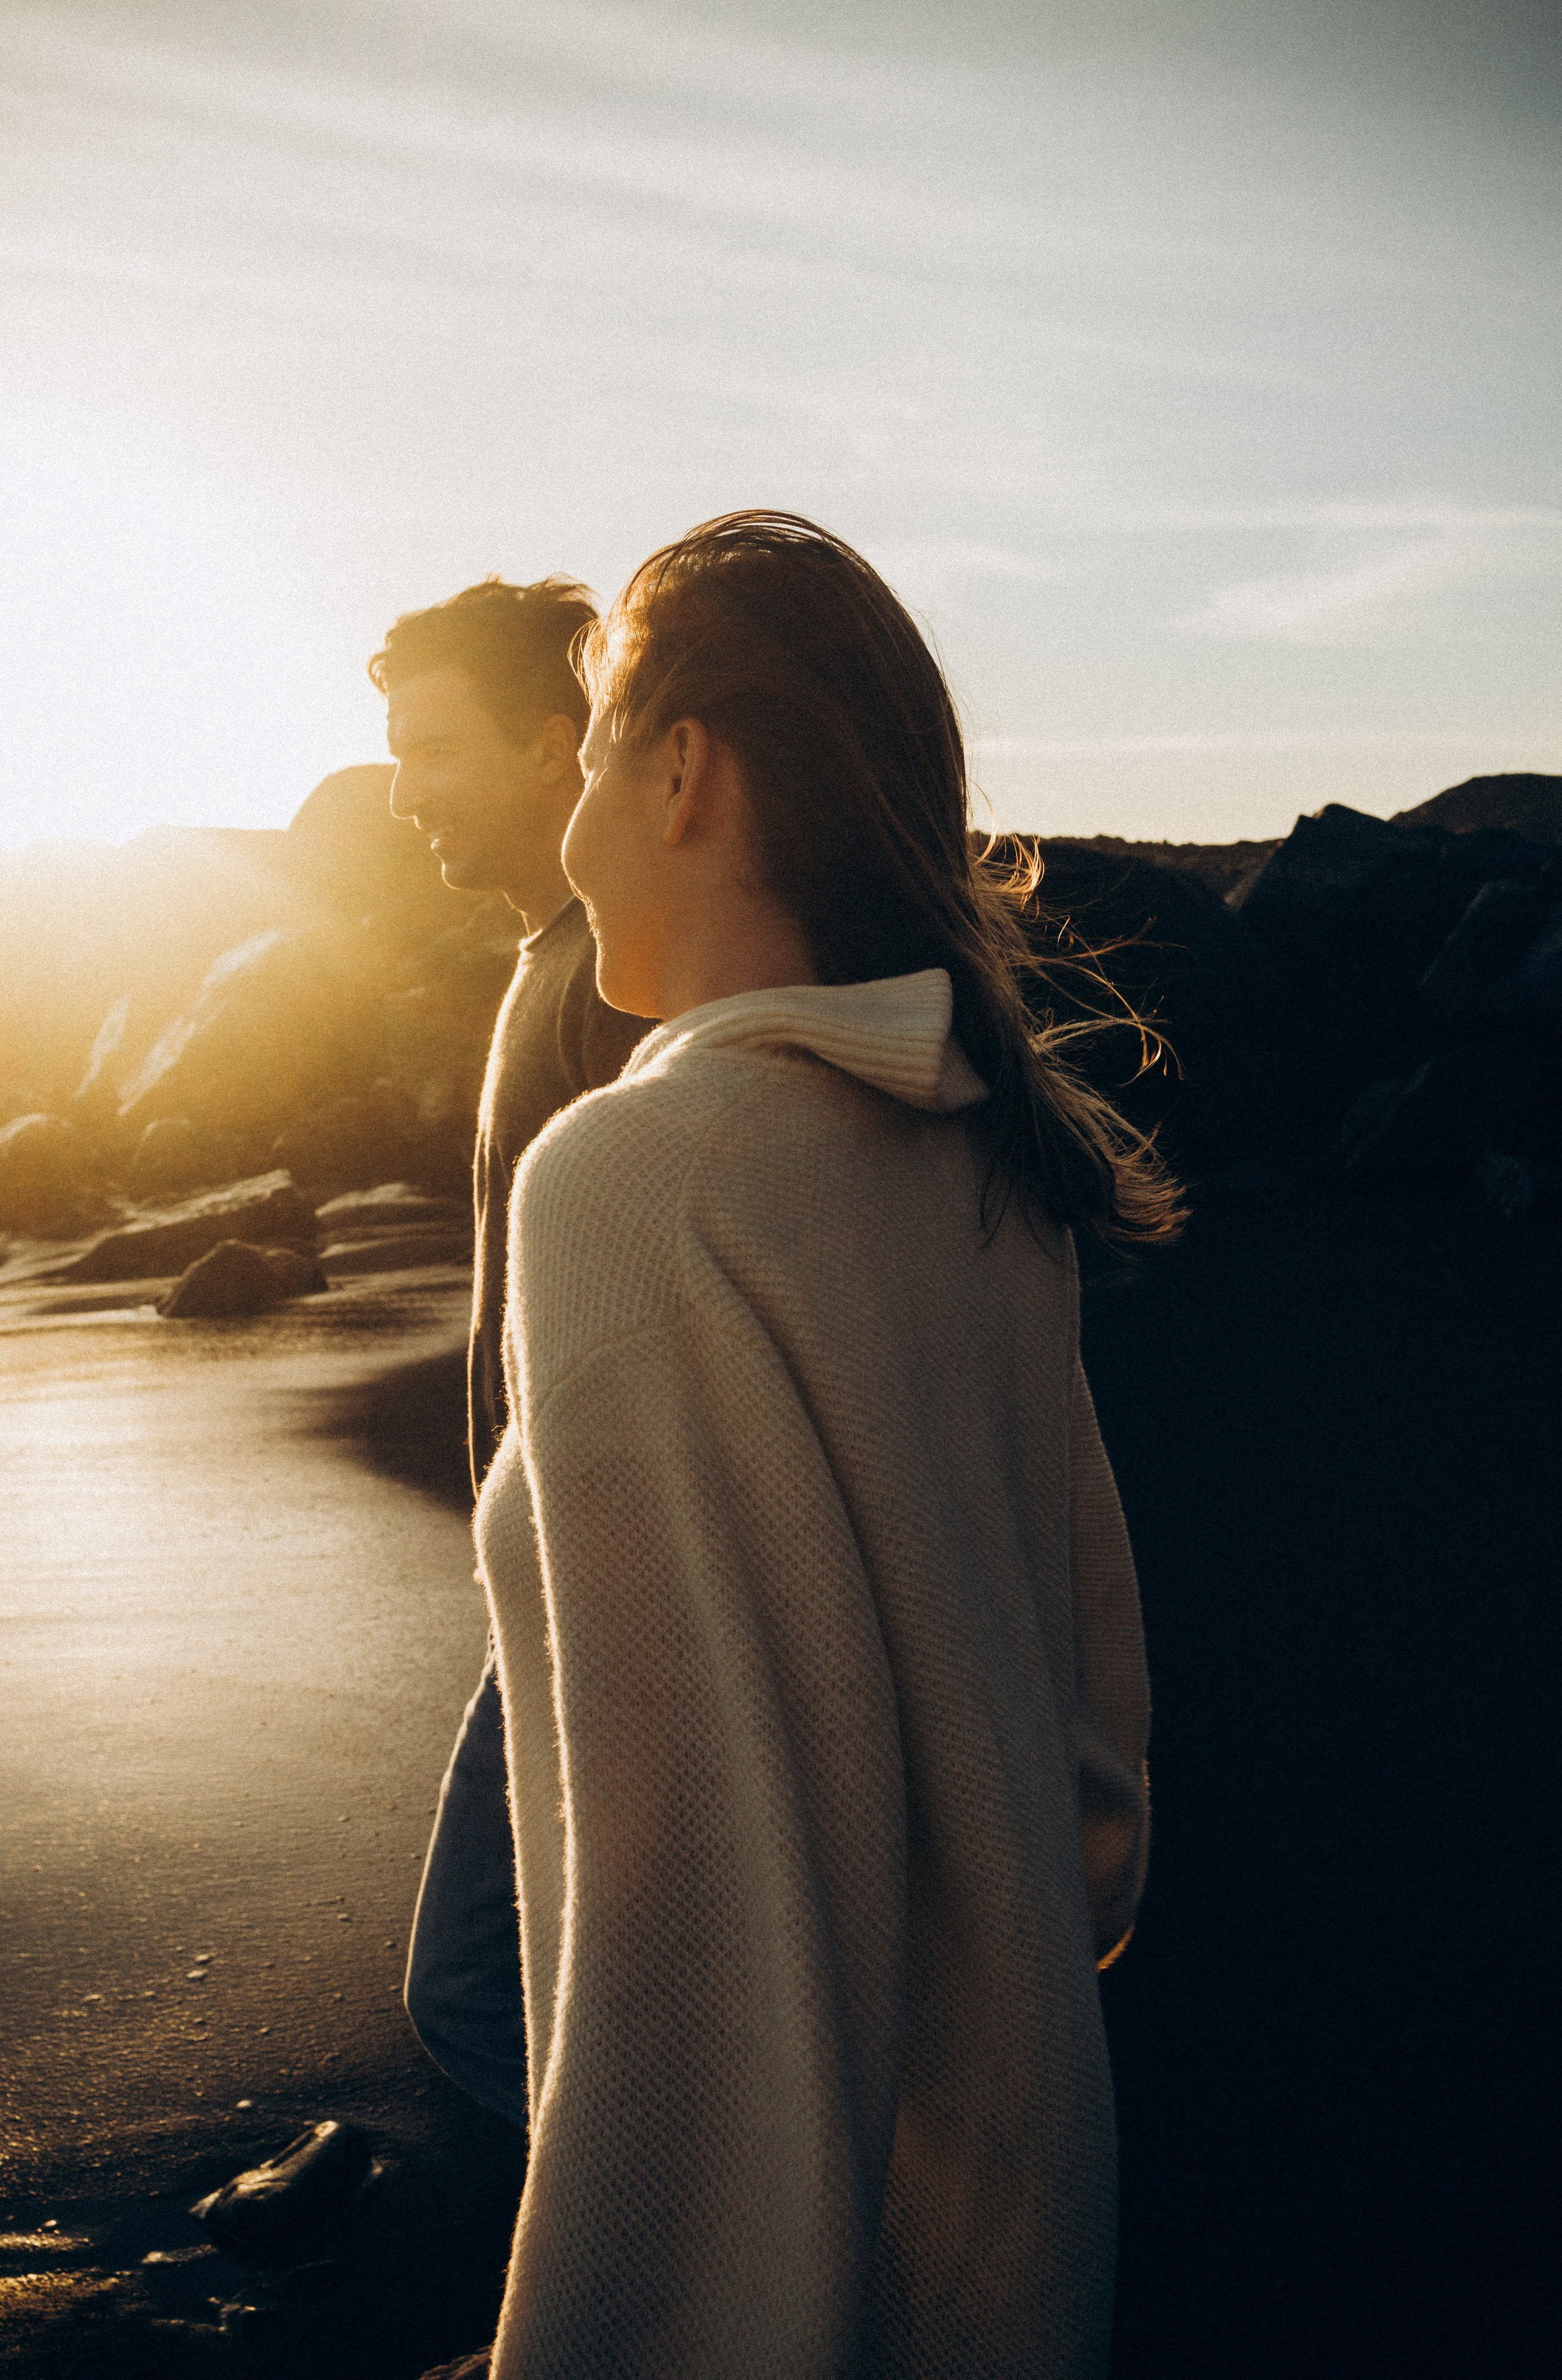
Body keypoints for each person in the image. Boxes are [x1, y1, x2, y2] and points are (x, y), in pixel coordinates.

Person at [470, 512, 1182, 2376]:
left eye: (598, 736)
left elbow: (686, 1923)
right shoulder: (985, 1151)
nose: (569, 810)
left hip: (794, 2266)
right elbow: (1098, 1757)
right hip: (1018, 2188)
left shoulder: (639, 1181)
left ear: (683, 771)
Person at [369, 577, 650, 2122]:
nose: (405, 795)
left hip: (605, 1578)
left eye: (437, 753)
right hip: (554, 1569)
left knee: (482, 1987)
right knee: (551, 1980)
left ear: (556, 749)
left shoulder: (613, 977)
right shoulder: (551, 957)